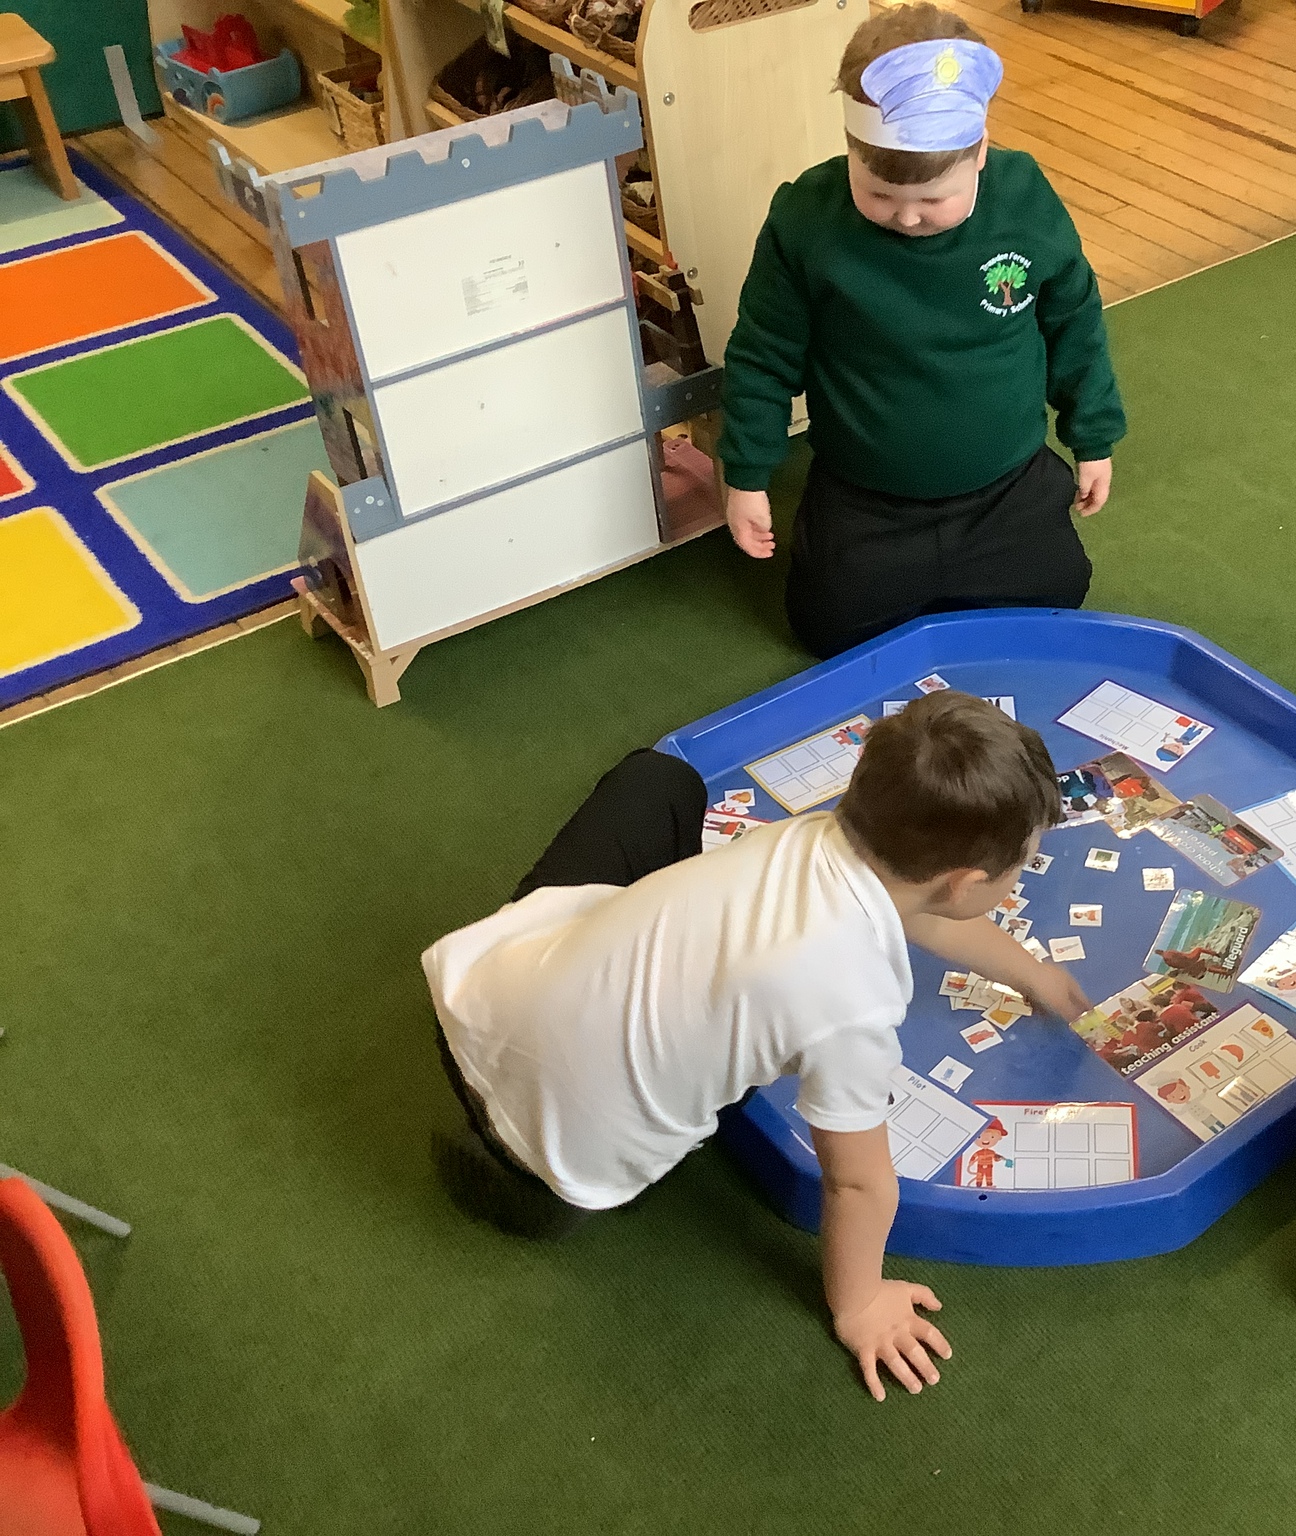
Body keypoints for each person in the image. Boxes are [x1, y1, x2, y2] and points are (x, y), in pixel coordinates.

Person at [421, 692, 1088, 1401]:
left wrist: (1032, 973)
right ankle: (529, 1191)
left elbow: (918, 912)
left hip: (473, 999)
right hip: (555, 1169)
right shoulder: (854, 997)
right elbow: (857, 1182)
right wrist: (861, 1303)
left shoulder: (822, 837)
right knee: (742, 1060)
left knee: (656, 783)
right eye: (1022, 864)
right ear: (966, 883)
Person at [717, 3, 1126, 659]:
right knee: (828, 628)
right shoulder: (805, 218)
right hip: (867, 497)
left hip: (1005, 486)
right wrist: (746, 473)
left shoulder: (1026, 200)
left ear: (981, 153)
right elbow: (763, 355)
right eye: (879, 194)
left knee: (1060, 593)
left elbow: (1074, 321)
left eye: (934, 200)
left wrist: (1093, 437)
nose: (907, 218)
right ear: (851, 148)